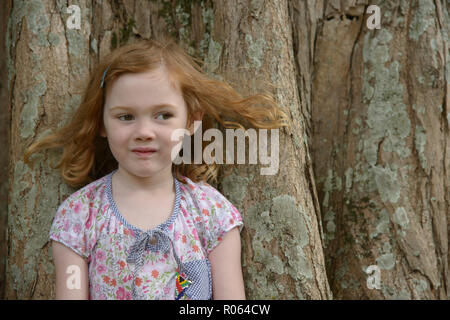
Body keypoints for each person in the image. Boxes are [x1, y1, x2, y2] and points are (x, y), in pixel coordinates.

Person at [24, 38, 289, 300]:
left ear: (191, 120)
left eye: (163, 115)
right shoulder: (79, 216)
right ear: (101, 123)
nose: (143, 132)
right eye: (126, 117)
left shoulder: (212, 214)